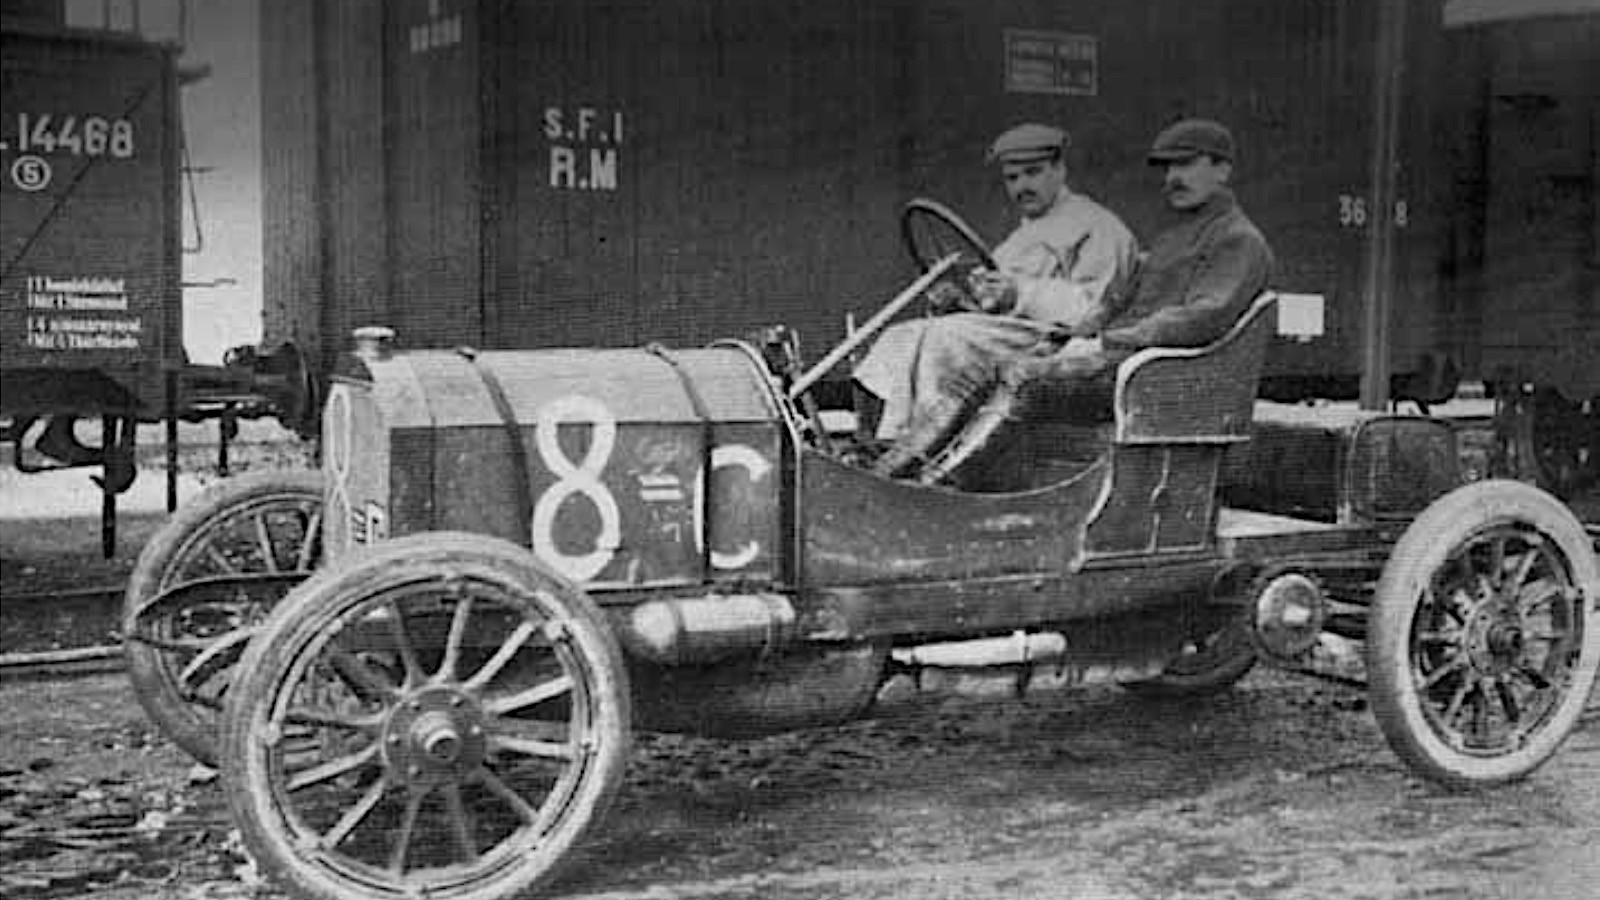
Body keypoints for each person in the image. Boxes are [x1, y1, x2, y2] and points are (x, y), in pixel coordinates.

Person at [906, 117, 1277, 487]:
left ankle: (941, 483)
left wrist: (1106, 342)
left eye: (1186, 165)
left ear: (1223, 170)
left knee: (1020, 377)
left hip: (1160, 376)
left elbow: (1200, 318)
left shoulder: (1237, 240)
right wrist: (1076, 335)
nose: (1173, 178)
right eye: (1168, 168)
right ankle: (904, 465)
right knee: (986, 368)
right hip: (1129, 364)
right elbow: (1117, 301)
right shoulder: (1175, 237)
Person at [854, 123, 1137, 475]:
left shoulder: (1097, 227)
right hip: (1012, 334)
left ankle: (924, 456)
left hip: (1057, 345)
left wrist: (1018, 293)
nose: (1022, 186)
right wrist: (961, 302)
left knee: (941, 338)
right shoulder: (1022, 236)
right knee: (900, 337)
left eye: (1033, 173)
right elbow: (995, 307)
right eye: (1012, 178)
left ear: (1060, 169)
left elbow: (1094, 309)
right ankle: (883, 445)